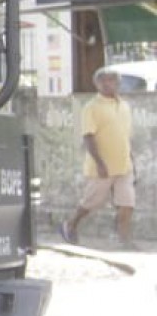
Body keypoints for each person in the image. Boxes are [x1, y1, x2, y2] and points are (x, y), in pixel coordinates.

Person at [61, 67, 138, 250]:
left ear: (118, 83)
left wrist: (132, 161)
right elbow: (88, 136)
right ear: (96, 84)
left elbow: (125, 137)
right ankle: (70, 225)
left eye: (111, 80)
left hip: (124, 166)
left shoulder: (124, 106)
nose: (107, 83)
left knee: (127, 204)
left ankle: (123, 240)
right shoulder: (91, 107)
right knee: (90, 203)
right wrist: (100, 163)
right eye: (103, 80)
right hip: (101, 167)